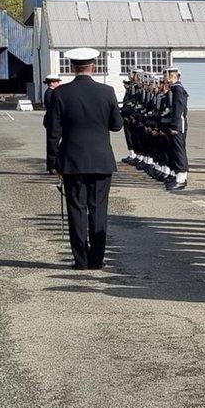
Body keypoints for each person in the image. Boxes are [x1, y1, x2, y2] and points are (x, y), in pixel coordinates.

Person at [46, 48, 124, 270]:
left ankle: (80, 260)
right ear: (94, 67)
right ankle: (96, 260)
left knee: (76, 210)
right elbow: (117, 126)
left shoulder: (60, 93)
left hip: (72, 160)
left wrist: (52, 162)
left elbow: (53, 131)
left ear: (72, 68)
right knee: (99, 210)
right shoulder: (107, 91)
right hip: (100, 160)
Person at [163, 67, 189, 190]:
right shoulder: (175, 88)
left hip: (179, 125)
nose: (165, 79)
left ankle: (181, 178)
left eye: (167, 76)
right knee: (176, 151)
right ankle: (178, 175)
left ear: (172, 76)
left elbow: (179, 109)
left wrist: (175, 126)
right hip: (177, 124)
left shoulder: (178, 89)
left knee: (179, 151)